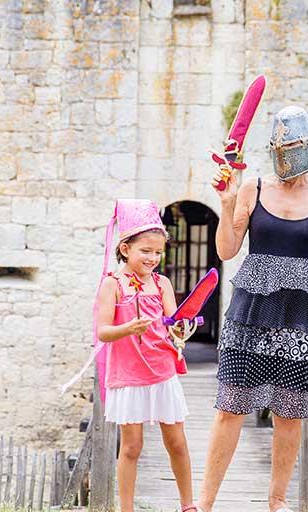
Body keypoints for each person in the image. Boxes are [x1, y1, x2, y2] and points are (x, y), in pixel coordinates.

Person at [197, 106, 308, 512]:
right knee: (230, 406)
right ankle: (204, 503)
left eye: (294, 145)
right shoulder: (251, 188)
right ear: (273, 148)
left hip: (301, 315)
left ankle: (276, 503)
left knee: (290, 412)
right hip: (252, 309)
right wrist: (228, 201)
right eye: (282, 145)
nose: (288, 153)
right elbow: (226, 249)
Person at [96, 199, 197, 512]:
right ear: (126, 249)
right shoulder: (112, 285)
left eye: (158, 252)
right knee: (132, 446)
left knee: (177, 441)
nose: (153, 258)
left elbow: (172, 323)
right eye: (146, 251)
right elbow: (103, 332)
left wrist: (182, 328)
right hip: (128, 373)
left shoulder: (162, 283)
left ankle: (188, 505)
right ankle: (126, 508)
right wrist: (128, 328)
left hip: (161, 368)